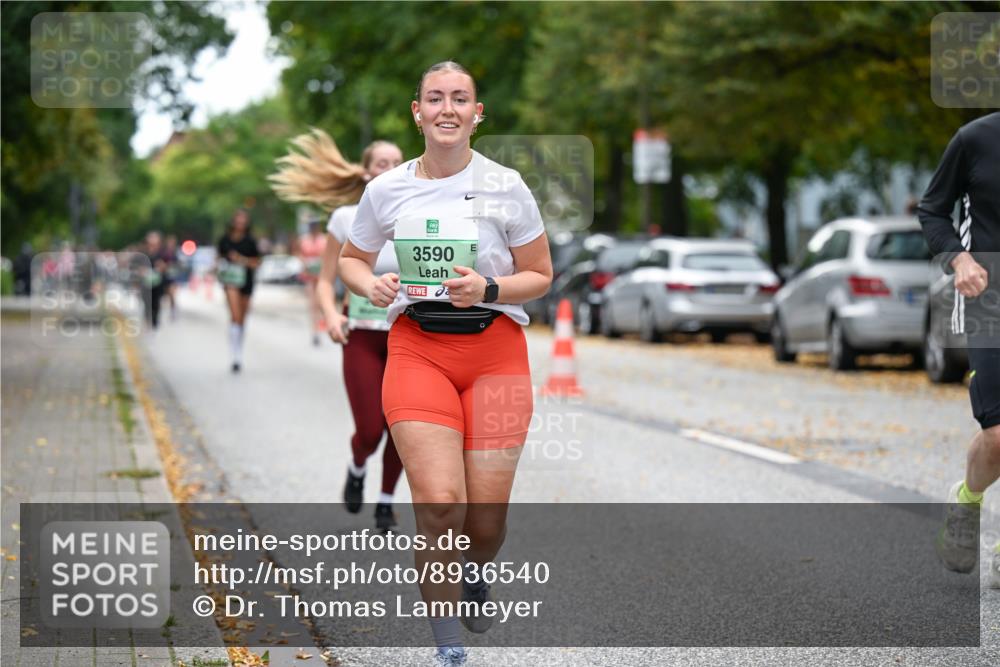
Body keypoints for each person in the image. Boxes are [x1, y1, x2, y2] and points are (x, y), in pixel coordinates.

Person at [339, 61, 552, 666]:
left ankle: (477, 569)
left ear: (477, 114)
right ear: (418, 111)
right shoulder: (386, 190)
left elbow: (540, 275)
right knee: (438, 504)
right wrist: (371, 284)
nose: (448, 109)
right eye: (436, 98)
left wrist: (487, 288)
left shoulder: (507, 185)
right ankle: (448, 648)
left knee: (483, 522)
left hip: (496, 354)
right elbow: (352, 259)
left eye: (460, 99)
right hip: (417, 349)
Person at [271, 130, 407, 532]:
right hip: (361, 337)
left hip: (407, 337)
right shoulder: (346, 219)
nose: (390, 170)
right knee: (369, 429)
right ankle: (357, 464)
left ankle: (385, 502)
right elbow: (325, 281)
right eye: (382, 163)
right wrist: (331, 316)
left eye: (397, 163)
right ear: (366, 173)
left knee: (400, 427)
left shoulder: (418, 220)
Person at [918, 111, 1000, 582]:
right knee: (997, 432)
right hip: (988, 297)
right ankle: (967, 499)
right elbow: (932, 209)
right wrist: (960, 258)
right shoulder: (974, 139)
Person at [216, 209, 261, 373]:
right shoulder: (224, 240)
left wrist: (241, 260)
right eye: (238, 220)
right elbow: (218, 259)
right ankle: (234, 355)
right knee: (234, 316)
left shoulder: (251, 241)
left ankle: (239, 351)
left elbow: (257, 262)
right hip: (230, 281)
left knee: (242, 318)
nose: (240, 223)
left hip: (247, 280)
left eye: (244, 220)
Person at [296, 219, 328, 346]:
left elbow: (328, 256)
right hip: (309, 275)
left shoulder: (324, 239)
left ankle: (322, 326)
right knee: (312, 304)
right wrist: (304, 262)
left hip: (322, 275)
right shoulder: (304, 240)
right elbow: (299, 254)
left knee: (321, 303)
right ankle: (315, 331)